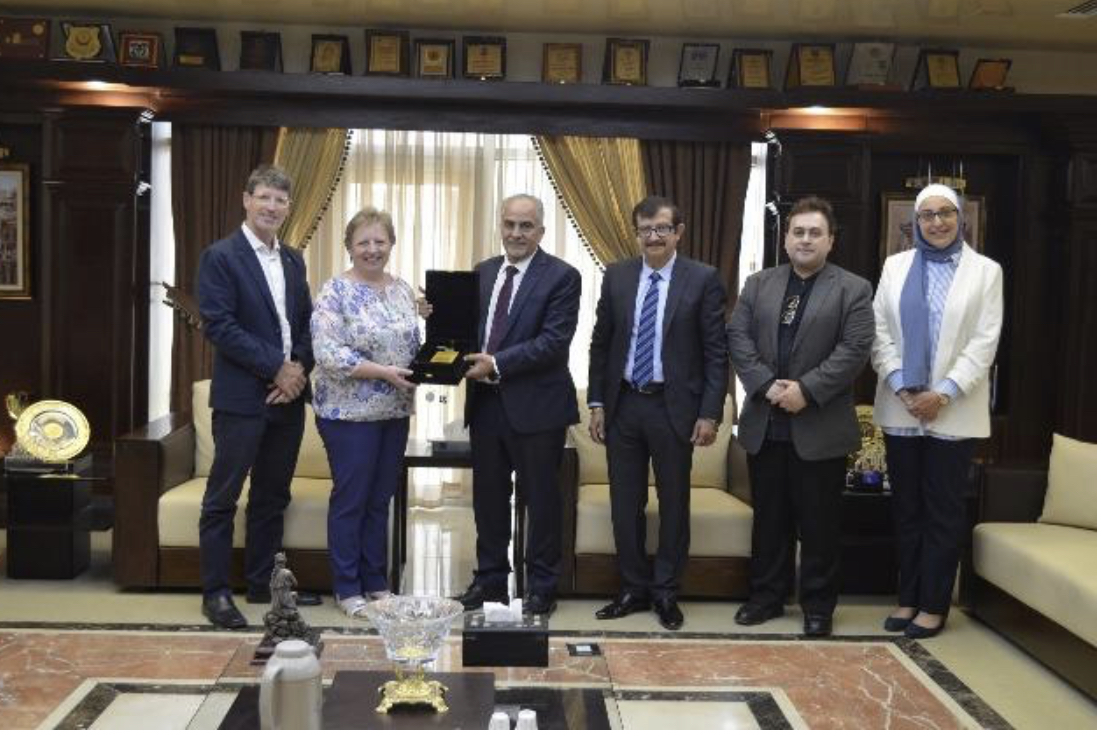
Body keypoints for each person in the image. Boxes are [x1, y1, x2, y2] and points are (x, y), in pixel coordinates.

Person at [727, 195, 873, 637]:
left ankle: (817, 607)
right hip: (766, 423)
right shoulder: (759, 284)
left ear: (830, 240)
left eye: (815, 233)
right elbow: (738, 338)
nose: (805, 240)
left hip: (820, 425)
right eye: (798, 232)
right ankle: (766, 598)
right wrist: (766, 384)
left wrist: (806, 391)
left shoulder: (853, 289)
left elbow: (854, 350)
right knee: (769, 519)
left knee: (819, 524)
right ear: (786, 238)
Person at [588, 195, 728, 632]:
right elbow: (600, 344)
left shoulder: (702, 279)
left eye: (662, 228)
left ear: (678, 232)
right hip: (624, 405)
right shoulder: (617, 276)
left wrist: (710, 413)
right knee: (624, 502)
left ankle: (666, 591)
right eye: (645, 229)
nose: (653, 236)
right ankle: (632, 587)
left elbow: (716, 353)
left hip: (675, 407)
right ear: (637, 234)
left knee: (674, 502)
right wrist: (597, 402)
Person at [871, 184, 1003, 639]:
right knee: (906, 508)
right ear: (916, 222)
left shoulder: (985, 272)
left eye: (946, 213)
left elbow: (984, 342)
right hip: (901, 407)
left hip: (954, 410)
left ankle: (933, 604)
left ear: (960, 217)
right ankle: (908, 598)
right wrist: (902, 386)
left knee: (943, 512)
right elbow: (878, 333)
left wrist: (942, 394)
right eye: (927, 215)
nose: (937, 222)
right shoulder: (895, 266)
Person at [195, 164, 319, 630]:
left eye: (280, 200)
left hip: (287, 400)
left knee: (272, 497)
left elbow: (306, 324)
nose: (271, 207)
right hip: (242, 400)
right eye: (264, 197)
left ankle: (265, 586)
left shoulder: (293, 260)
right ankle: (215, 594)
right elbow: (220, 326)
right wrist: (276, 368)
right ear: (246, 200)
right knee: (222, 498)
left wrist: (297, 369)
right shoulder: (220, 257)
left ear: (288, 208)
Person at [450, 194, 582, 616]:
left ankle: (542, 586)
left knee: (541, 501)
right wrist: (437, 316)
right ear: (501, 226)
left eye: (526, 226)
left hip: (538, 409)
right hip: (486, 407)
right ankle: (490, 581)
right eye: (509, 224)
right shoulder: (483, 271)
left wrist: (497, 364)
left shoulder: (562, 277)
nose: (516, 233)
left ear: (540, 230)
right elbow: (467, 333)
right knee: (488, 501)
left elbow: (553, 342)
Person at [311, 207, 421, 619]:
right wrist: (383, 373)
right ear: (349, 247)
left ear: (391, 244)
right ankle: (346, 586)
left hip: (394, 412)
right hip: (348, 415)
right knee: (352, 500)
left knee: (380, 500)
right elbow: (328, 353)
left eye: (380, 241)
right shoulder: (334, 291)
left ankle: (376, 581)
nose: (372, 249)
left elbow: (411, 344)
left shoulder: (402, 289)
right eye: (364, 242)